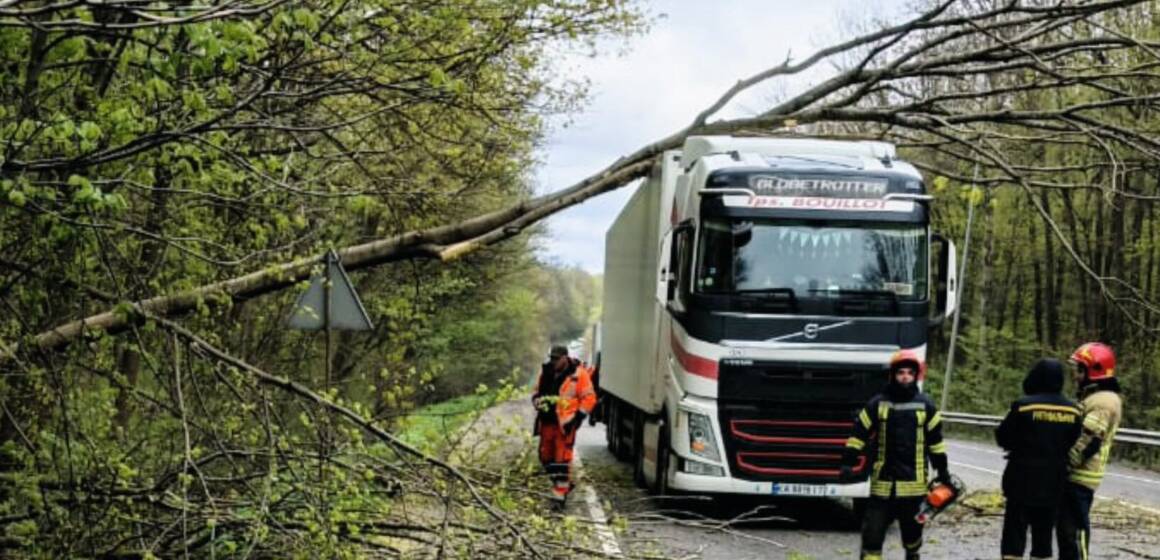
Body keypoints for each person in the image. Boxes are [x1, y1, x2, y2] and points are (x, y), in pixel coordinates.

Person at [841, 350, 951, 560]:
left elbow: (935, 443)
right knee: (872, 535)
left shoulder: (926, 406)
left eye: (910, 373)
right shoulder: (877, 404)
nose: (905, 377)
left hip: (914, 487)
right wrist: (848, 462)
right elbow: (858, 434)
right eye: (901, 372)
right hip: (883, 485)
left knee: (912, 536)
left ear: (915, 376)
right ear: (893, 375)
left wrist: (943, 471)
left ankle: (912, 554)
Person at [995, 358, 1081, 560]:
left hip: (1021, 479)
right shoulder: (1073, 410)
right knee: (1043, 535)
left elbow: (1003, 437)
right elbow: (1073, 439)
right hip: (1054, 481)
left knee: (1014, 533)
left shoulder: (1023, 406)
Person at [1057, 342, 1123, 560]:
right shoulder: (1096, 397)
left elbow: (1089, 439)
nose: (1075, 375)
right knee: (1066, 533)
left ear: (1093, 370)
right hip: (1077, 476)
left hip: (1080, 477)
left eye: (1079, 369)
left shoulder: (1103, 402)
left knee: (1075, 533)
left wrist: (1065, 464)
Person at [532, 345, 597, 504]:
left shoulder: (578, 374)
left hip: (565, 425)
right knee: (545, 457)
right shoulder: (546, 372)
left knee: (561, 461)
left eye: (556, 359)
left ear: (565, 358)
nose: (553, 362)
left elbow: (589, 398)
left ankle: (559, 497)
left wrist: (577, 418)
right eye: (552, 358)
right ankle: (564, 485)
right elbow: (536, 391)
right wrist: (536, 400)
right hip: (546, 422)